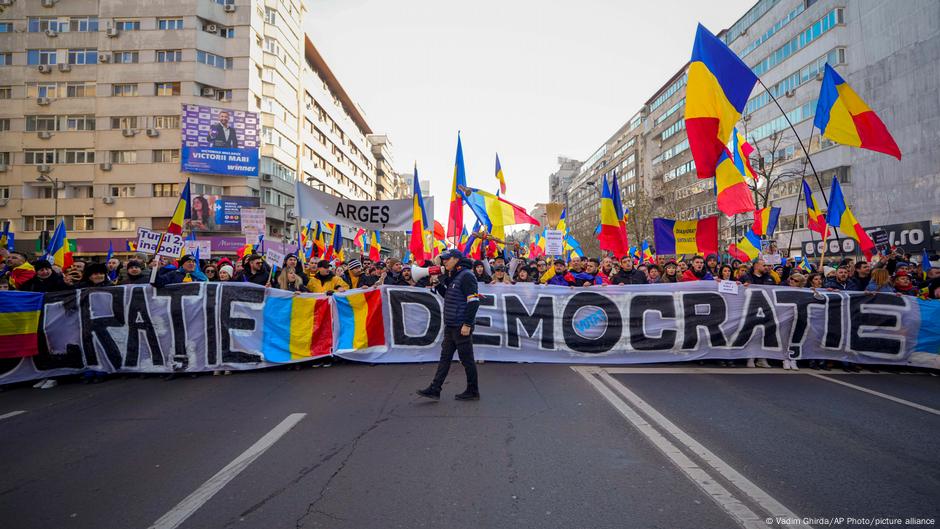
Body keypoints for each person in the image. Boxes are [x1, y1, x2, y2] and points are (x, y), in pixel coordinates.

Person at [417, 249, 481, 401]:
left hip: (460, 326)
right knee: (445, 358)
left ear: (456, 259)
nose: (444, 262)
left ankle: (473, 391)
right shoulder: (456, 276)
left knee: (467, 361)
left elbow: (474, 302)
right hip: (451, 325)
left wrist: (467, 324)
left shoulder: (466, 276)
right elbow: (449, 296)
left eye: (447, 259)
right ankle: (435, 388)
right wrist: (438, 284)